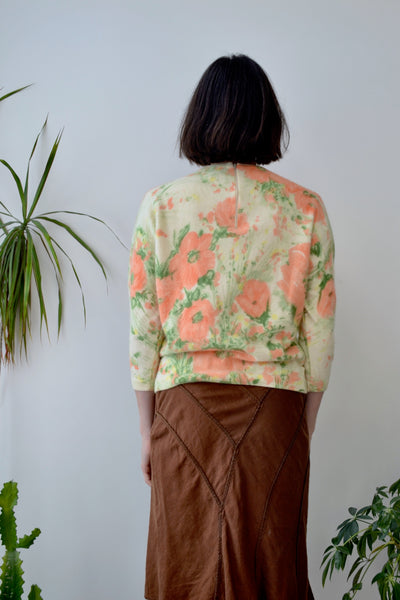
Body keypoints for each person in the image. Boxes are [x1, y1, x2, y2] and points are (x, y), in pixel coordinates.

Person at [129, 54, 335, 600]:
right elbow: (319, 336)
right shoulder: (305, 209)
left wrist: (146, 431)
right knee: (273, 569)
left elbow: (144, 329)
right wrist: (303, 425)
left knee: (184, 564)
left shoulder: (161, 206)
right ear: (268, 119)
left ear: (199, 117)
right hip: (276, 412)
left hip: (183, 414)